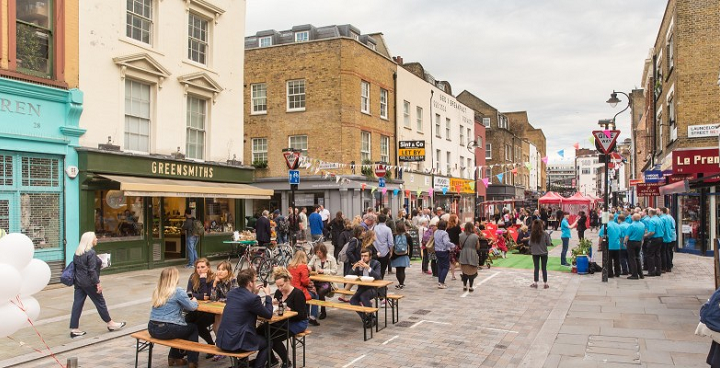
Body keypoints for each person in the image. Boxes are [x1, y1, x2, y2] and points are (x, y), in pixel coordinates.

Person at [69, 232, 125, 338]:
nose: (97, 239)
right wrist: (97, 283)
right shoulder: (90, 253)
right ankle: (110, 323)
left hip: (79, 282)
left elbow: (79, 267)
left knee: (77, 304)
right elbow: (91, 270)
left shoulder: (77, 252)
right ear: (90, 240)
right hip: (90, 282)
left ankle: (74, 329)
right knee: (100, 302)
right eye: (95, 238)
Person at [215, 269, 273, 368]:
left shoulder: (232, 293)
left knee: (246, 333)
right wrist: (268, 295)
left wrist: (253, 293)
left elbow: (244, 304)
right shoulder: (253, 299)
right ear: (250, 283)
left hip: (223, 340)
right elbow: (268, 314)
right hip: (238, 343)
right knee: (268, 343)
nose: (255, 283)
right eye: (255, 280)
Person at [148, 267, 199, 368]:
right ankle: (192, 361)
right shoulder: (178, 291)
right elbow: (192, 307)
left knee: (182, 327)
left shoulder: (157, 290)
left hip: (152, 328)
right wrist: (195, 301)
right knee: (192, 328)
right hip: (167, 328)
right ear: (175, 278)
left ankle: (174, 357)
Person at [271, 267, 309, 368]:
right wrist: (273, 306)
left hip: (298, 322)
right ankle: (272, 360)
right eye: (277, 286)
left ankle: (286, 361)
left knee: (274, 338)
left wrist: (288, 310)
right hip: (283, 321)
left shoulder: (297, 294)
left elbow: (302, 315)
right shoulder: (278, 293)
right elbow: (277, 311)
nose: (280, 288)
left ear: (288, 281)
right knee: (261, 331)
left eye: (281, 285)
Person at [185, 258, 215, 351]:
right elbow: (188, 294)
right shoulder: (193, 277)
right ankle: (188, 349)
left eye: (202, 267)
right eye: (198, 267)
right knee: (185, 322)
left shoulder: (213, 278)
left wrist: (203, 280)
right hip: (196, 309)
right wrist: (201, 296)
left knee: (198, 325)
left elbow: (208, 295)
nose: (200, 269)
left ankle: (211, 345)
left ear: (208, 267)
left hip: (210, 311)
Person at [350, 249, 382, 328]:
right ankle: (365, 317)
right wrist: (354, 267)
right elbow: (349, 276)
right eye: (362, 256)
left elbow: (378, 277)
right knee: (353, 300)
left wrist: (368, 268)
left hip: (375, 288)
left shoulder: (376, 263)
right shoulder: (359, 264)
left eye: (365, 256)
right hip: (363, 287)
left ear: (370, 257)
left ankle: (372, 317)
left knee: (363, 296)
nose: (363, 258)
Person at [287, 250, 320, 326]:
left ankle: (307, 314)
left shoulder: (290, 266)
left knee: (309, 295)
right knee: (315, 295)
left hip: (291, 290)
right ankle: (312, 317)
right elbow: (305, 281)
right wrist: (310, 281)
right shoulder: (303, 267)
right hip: (300, 291)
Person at [308, 243, 338, 319]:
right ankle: (312, 313)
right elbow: (309, 265)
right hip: (317, 281)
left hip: (327, 282)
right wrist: (309, 268)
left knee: (321, 292)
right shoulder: (315, 257)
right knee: (309, 290)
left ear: (324, 252)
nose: (318, 254)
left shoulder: (331, 258)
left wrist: (324, 271)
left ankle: (323, 311)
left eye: (320, 253)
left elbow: (334, 271)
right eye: (317, 252)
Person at [338, 226, 366, 302]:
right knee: (360, 280)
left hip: (357, 263)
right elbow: (349, 252)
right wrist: (355, 261)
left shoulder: (359, 240)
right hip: (355, 264)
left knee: (352, 281)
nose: (365, 233)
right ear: (359, 232)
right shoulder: (355, 240)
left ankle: (342, 295)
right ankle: (360, 298)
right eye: (363, 231)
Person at [528, 219, 552, 289]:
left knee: (536, 267)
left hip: (535, 252)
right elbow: (549, 243)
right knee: (544, 268)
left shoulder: (532, 234)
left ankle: (535, 283)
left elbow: (529, 243)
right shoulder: (545, 233)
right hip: (544, 252)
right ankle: (545, 283)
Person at [458, 222, 480, 291]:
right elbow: (478, 247)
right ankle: (470, 286)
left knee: (464, 270)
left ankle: (464, 285)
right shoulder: (475, 236)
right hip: (472, 253)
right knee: (472, 270)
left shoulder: (461, 235)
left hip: (464, 253)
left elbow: (460, 245)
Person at [433, 220, 455, 289]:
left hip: (437, 250)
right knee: (446, 267)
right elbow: (446, 242)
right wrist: (453, 245)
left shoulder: (436, 232)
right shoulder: (444, 233)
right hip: (444, 251)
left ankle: (440, 281)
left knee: (440, 266)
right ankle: (441, 282)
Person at [624, 213, 646, 280]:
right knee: (637, 257)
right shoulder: (642, 225)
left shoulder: (631, 225)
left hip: (632, 242)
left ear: (633, 218)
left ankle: (634, 274)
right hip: (639, 242)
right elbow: (643, 234)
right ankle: (641, 274)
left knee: (632, 258)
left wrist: (624, 242)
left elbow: (627, 236)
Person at [391, 222, 412, 289]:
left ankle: (400, 283)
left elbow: (392, 245)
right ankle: (401, 283)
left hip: (396, 254)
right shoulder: (407, 236)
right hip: (404, 254)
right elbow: (411, 246)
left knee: (398, 270)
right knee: (402, 270)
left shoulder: (394, 235)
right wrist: (410, 256)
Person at [373, 214, 394, 280]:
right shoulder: (388, 229)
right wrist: (391, 251)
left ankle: (376, 281)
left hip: (375, 250)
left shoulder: (374, 228)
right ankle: (380, 281)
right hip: (385, 251)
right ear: (386, 220)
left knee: (375, 268)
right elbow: (390, 242)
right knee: (383, 269)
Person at [446, 214, 462, 281]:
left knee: (452, 261)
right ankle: (463, 274)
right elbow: (460, 236)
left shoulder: (448, 228)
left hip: (450, 246)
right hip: (456, 246)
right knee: (460, 260)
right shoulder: (457, 227)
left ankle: (453, 275)